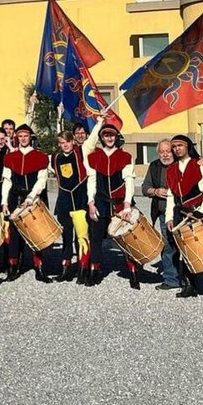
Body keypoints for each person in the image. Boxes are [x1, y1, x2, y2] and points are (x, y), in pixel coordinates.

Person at [165, 134, 203, 302]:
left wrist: (202, 211)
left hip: (199, 212)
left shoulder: (199, 165)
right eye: (174, 146)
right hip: (180, 214)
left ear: (187, 147)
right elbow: (171, 196)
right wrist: (169, 217)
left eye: (180, 145)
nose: (177, 149)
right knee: (185, 249)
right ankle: (189, 285)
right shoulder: (171, 170)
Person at [86, 123, 138, 288]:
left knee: (126, 238)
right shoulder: (94, 157)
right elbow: (91, 181)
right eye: (106, 135)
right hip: (100, 203)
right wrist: (90, 202)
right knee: (95, 238)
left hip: (120, 204)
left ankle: (133, 271)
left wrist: (127, 204)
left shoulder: (125, 156)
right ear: (102, 138)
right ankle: (94, 270)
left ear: (116, 137)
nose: (109, 138)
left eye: (112, 135)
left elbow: (129, 182)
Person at [1, 123, 51, 282]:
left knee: (36, 232)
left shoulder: (40, 157)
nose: (23, 139)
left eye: (26, 136)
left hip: (33, 198)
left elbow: (41, 181)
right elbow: (7, 181)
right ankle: (13, 267)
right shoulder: (10, 157)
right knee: (14, 234)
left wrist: (31, 197)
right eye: (20, 136)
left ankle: (39, 268)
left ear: (31, 137)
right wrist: (4, 202)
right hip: (15, 198)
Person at [52, 127, 94, 284]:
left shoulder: (81, 152)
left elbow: (92, 140)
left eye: (67, 141)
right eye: (62, 142)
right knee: (66, 238)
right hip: (64, 204)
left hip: (79, 202)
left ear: (73, 141)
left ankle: (83, 269)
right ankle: (66, 269)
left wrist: (99, 122)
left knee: (82, 237)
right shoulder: (55, 157)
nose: (65, 145)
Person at [141, 139, 180, 290]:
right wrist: (155, 191)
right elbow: (145, 188)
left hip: (182, 212)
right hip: (163, 213)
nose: (165, 155)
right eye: (162, 152)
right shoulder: (154, 166)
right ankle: (171, 279)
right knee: (168, 245)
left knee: (186, 245)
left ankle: (190, 277)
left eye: (168, 151)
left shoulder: (180, 164)